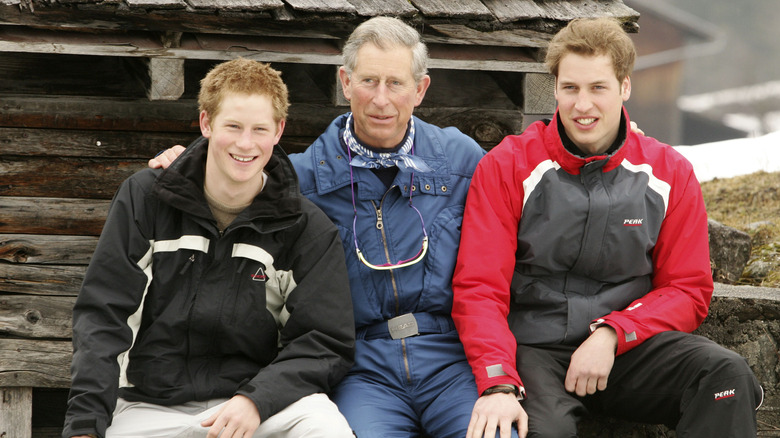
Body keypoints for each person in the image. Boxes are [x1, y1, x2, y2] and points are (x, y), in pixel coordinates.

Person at [151, 16, 514, 438]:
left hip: (451, 358)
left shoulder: (460, 160)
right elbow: (232, 178)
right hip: (361, 367)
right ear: (345, 82)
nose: (381, 99)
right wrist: (188, 163)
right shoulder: (300, 179)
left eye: (396, 83)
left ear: (420, 89)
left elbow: (526, 175)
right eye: (368, 81)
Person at [452, 17, 764, 438]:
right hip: (534, 350)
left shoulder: (668, 172)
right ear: (555, 88)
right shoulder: (508, 166)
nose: (583, 105)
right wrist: (497, 379)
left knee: (725, 377)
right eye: (570, 88)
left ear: (624, 87)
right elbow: (480, 288)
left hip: (628, 348)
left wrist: (614, 333)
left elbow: (688, 288)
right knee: (535, 431)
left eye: (598, 88)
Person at [63, 58, 355, 438]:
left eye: (259, 129)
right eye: (232, 126)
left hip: (260, 405)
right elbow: (104, 316)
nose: (245, 143)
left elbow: (324, 341)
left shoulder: (305, 227)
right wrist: (85, 426)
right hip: (148, 404)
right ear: (206, 123)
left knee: (325, 428)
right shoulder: (146, 198)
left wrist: (257, 400)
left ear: (279, 131)